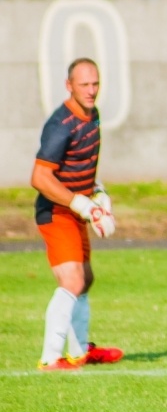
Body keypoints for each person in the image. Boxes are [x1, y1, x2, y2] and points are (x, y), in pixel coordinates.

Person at [31, 57, 123, 371]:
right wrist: (81, 204)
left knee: (86, 279)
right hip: (56, 211)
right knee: (72, 280)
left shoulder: (92, 115)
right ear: (68, 86)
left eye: (95, 84)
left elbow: (79, 164)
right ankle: (50, 359)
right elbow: (40, 177)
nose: (91, 90)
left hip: (75, 209)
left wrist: (99, 193)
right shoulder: (61, 124)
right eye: (84, 84)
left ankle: (80, 351)